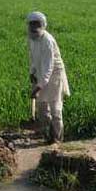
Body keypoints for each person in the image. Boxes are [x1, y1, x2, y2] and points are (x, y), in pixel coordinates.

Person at [27, 11, 68, 143]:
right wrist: (32, 72)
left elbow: (49, 67)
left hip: (54, 75)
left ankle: (57, 140)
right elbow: (34, 58)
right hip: (41, 74)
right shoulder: (32, 39)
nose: (34, 27)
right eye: (31, 24)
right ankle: (47, 136)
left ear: (43, 25)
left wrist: (39, 87)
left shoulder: (47, 41)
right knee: (42, 109)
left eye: (37, 24)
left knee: (55, 108)